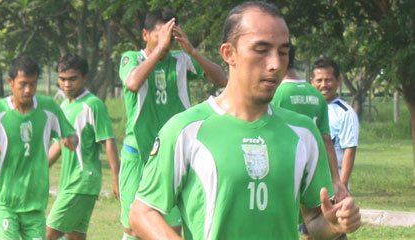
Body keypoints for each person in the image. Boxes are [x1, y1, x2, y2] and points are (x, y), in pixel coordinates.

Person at [129, 2, 361, 239]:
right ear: (229, 54)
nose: (276, 64)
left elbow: (313, 218)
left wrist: (334, 225)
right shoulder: (186, 129)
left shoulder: (303, 131)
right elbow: (142, 212)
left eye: (283, 52)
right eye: (261, 50)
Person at [118, 7, 227, 239]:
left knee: (170, 227)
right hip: (137, 153)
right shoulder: (131, 58)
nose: (167, 44)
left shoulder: (182, 60)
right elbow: (133, 83)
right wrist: (160, 50)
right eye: (160, 36)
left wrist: (192, 51)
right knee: (133, 226)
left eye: (171, 37)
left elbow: (221, 79)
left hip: (173, 153)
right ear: (145, 34)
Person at [0, 55, 78, 240]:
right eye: (23, 84)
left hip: (35, 201)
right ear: (10, 81)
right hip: (5, 199)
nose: (28, 90)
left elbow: (71, 135)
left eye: (32, 84)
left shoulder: (49, 109)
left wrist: (71, 141)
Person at [272, 46, 350, 240]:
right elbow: (326, 140)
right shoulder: (317, 96)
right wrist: (336, 180)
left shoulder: (276, 94)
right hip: (316, 172)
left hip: (286, 171)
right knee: (316, 224)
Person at [46, 53, 120, 240]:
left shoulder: (93, 105)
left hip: (82, 181)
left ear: (84, 78)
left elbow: (108, 140)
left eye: (72, 79)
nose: (67, 84)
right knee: (75, 236)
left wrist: (116, 178)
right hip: (68, 182)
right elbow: (57, 145)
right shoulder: (63, 106)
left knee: (47, 234)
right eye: (62, 79)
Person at [311, 58, 359, 191]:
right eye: (319, 80)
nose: (324, 85)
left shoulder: (345, 112)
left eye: (329, 80)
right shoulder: (307, 108)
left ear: (338, 81)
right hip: (307, 185)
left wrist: (341, 187)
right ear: (311, 81)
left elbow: (349, 150)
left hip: (331, 185)